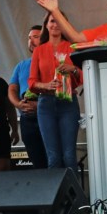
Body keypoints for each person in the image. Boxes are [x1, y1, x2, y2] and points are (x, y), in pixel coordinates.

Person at [28, 11, 82, 171]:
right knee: (53, 156)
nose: (55, 25)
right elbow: (31, 82)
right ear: (46, 25)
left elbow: (83, 76)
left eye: (59, 21)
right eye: (52, 21)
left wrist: (73, 69)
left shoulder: (73, 48)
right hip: (46, 104)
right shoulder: (39, 50)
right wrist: (46, 86)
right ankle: (57, 196)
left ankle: (74, 196)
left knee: (69, 155)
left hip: (68, 102)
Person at [7, 25, 47, 169]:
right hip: (27, 118)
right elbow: (12, 89)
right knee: (36, 160)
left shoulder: (51, 62)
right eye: (29, 38)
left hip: (47, 114)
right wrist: (19, 105)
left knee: (53, 157)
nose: (31, 40)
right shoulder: (21, 65)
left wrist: (39, 106)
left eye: (35, 37)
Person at [0, 73, 20, 171]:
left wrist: (15, 130)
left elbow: (10, 108)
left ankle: (1, 185)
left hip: (0, 130)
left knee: (2, 167)